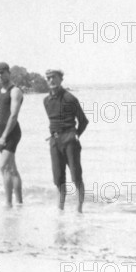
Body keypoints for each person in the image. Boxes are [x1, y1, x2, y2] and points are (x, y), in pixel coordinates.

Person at [44, 69, 89, 213]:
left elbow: (83, 120)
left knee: (76, 176)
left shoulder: (70, 98)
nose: (51, 80)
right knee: (58, 177)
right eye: (48, 78)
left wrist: (76, 134)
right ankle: (60, 208)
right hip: (54, 140)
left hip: (69, 139)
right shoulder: (46, 100)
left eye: (54, 77)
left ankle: (79, 209)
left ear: (61, 79)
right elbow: (53, 120)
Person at [0, 62, 24, 207]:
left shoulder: (15, 91)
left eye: (2, 72)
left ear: (8, 72)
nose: (0, 75)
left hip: (12, 133)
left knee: (3, 167)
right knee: (11, 169)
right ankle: (19, 203)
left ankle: (8, 203)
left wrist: (4, 137)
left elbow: (13, 116)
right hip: (2, 134)